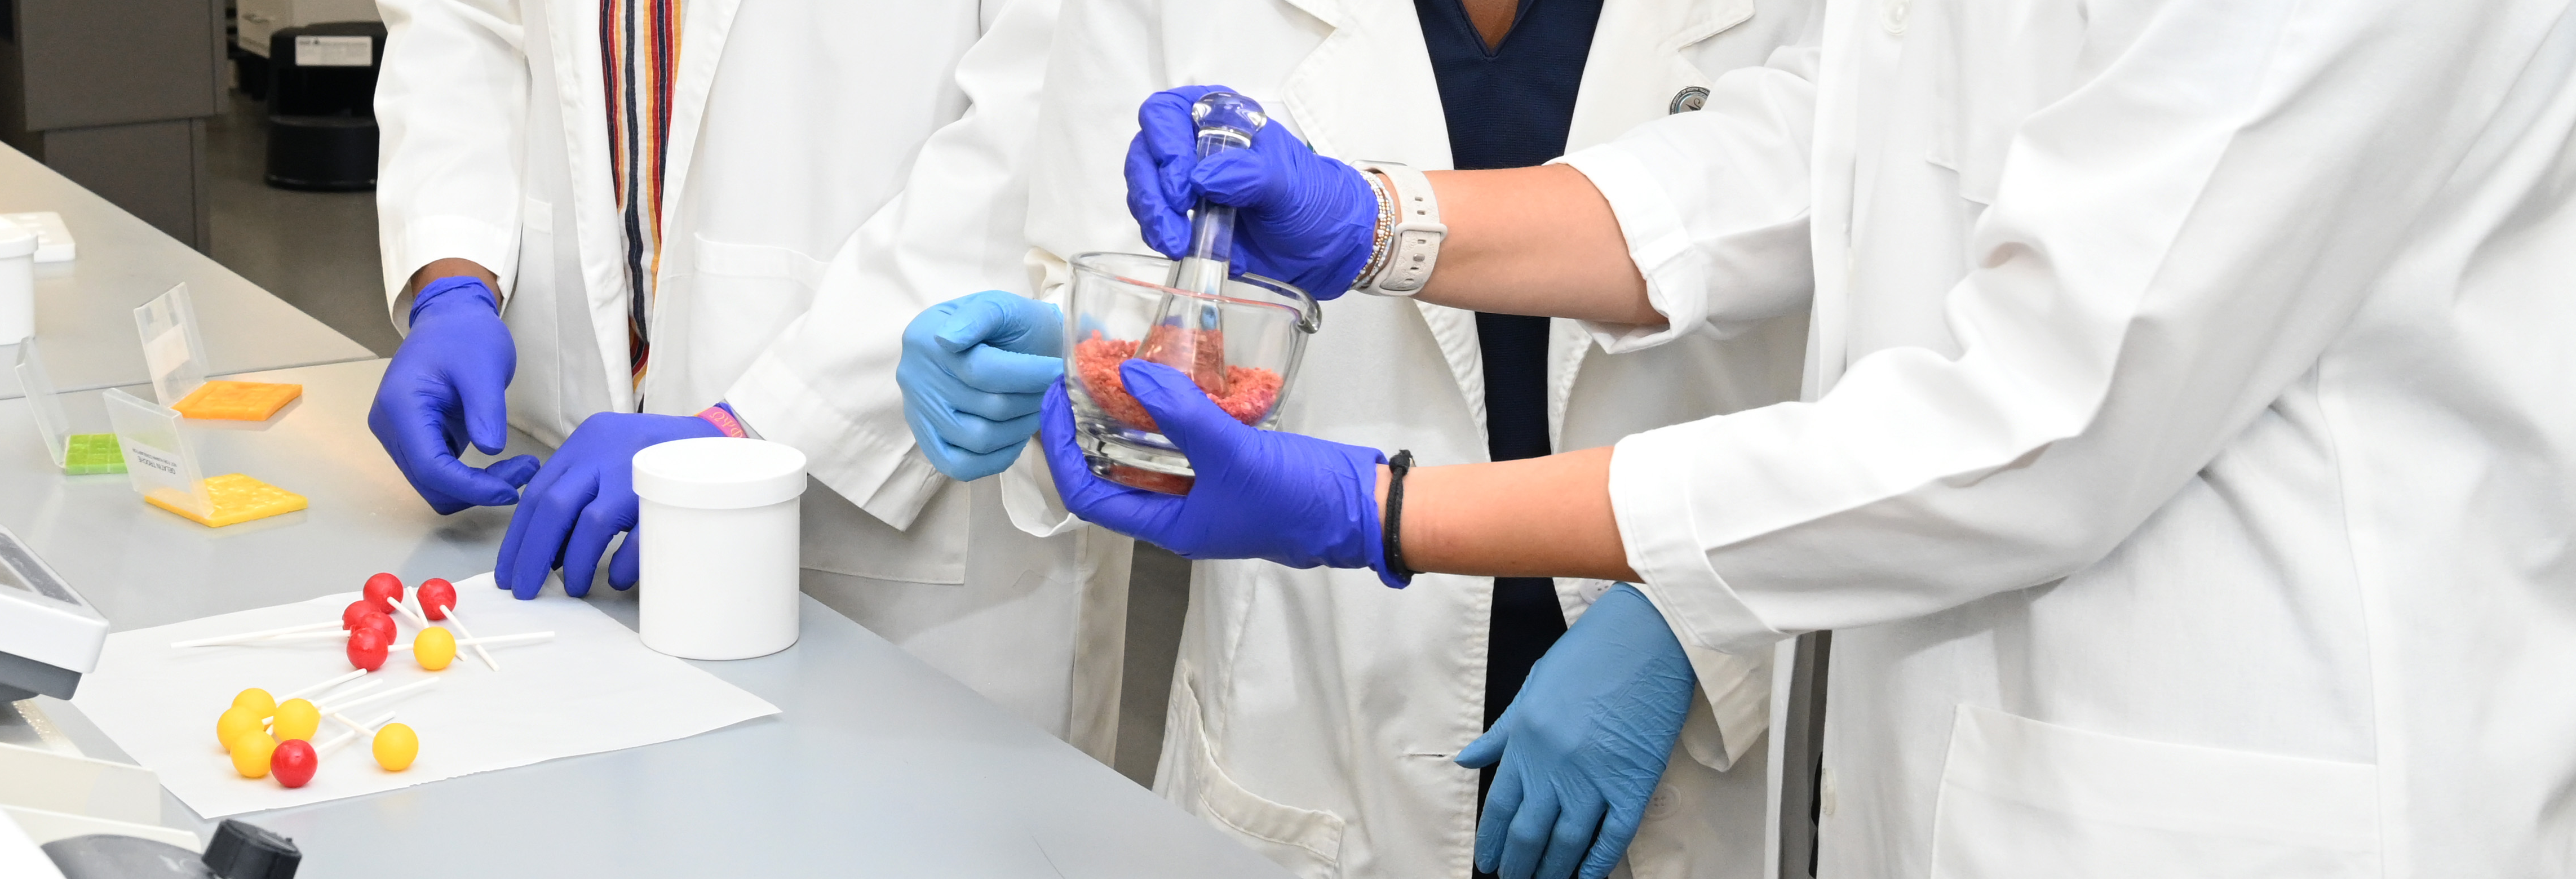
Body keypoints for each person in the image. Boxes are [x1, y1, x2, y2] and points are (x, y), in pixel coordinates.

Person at [1028, 1, 2576, 876]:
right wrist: (1384, 220)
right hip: (1947, 753)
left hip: (2240, 781)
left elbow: (2039, 425)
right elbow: (1829, 146)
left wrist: (1384, 511)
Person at [891, 0, 1814, 876]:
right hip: (1310, 721)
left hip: (1685, 716)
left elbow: (1871, 395)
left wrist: (1695, 620)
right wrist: (1071, 367)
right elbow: (1119, 290)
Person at [368, 0, 1140, 756]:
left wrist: (757, 425)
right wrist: (452, 273)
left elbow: (1043, 126)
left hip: (907, 550)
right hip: (570, 452)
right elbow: (458, 22)